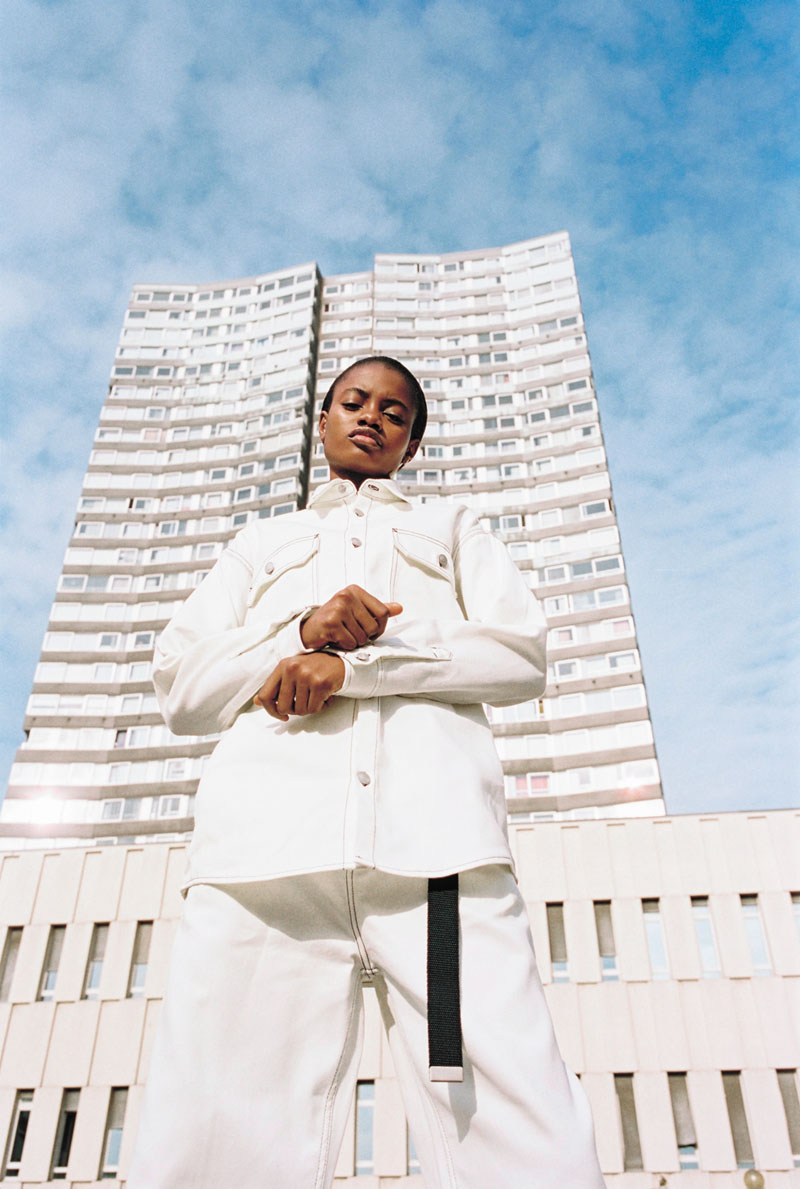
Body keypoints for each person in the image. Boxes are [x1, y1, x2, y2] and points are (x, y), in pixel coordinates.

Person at [126, 357, 605, 1188]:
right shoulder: (259, 544)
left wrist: (357, 666)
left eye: (394, 412)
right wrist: (297, 630)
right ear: (323, 422)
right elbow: (181, 686)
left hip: (439, 865)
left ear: (411, 444)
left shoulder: (453, 527)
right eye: (353, 402)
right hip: (260, 868)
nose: (371, 417)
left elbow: (519, 654)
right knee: (215, 1131)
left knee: (517, 1120)